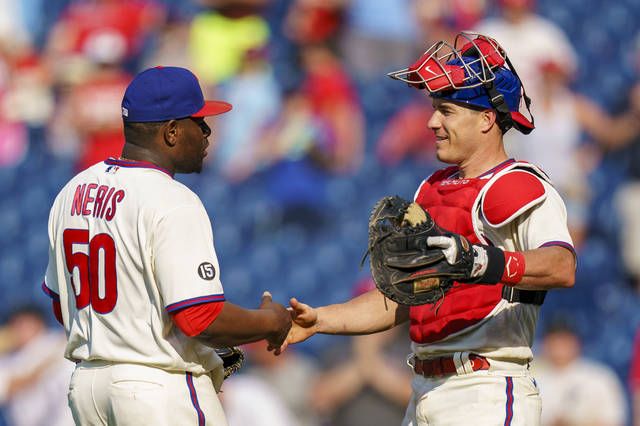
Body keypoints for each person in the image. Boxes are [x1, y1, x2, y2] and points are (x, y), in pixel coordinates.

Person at [278, 33, 576, 425]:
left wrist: (476, 260)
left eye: (447, 111)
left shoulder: (517, 184)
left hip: (484, 389)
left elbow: (561, 266)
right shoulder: (432, 189)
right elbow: (402, 296)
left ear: (487, 119)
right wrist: (321, 320)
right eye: (435, 109)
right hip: (422, 389)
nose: (432, 122)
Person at [41, 66, 292, 426]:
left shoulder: (72, 191)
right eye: (199, 121)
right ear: (172, 131)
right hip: (155, 391)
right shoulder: (172, 199)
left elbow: (63, 308)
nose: (207, 132)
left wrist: (125, 332)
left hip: (87, 390)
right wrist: (270, 321)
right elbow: (199, 317)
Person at [533, 318, 626, 426]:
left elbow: (614, 419)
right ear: (545, 344)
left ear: (576, 343)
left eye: (564, 340)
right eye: (554, 340)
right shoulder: (533, 380)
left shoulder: (599, 377)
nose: (559, 347)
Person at [0, 304, 75, 426]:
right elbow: (9, 387)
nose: (20, 329)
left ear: (39, 324)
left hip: (62, 416)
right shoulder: (6, 360)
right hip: (30, 421)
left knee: (71, 369)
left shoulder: (52, 341)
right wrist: (46, 365)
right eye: (16, 324)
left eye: (26, 324)